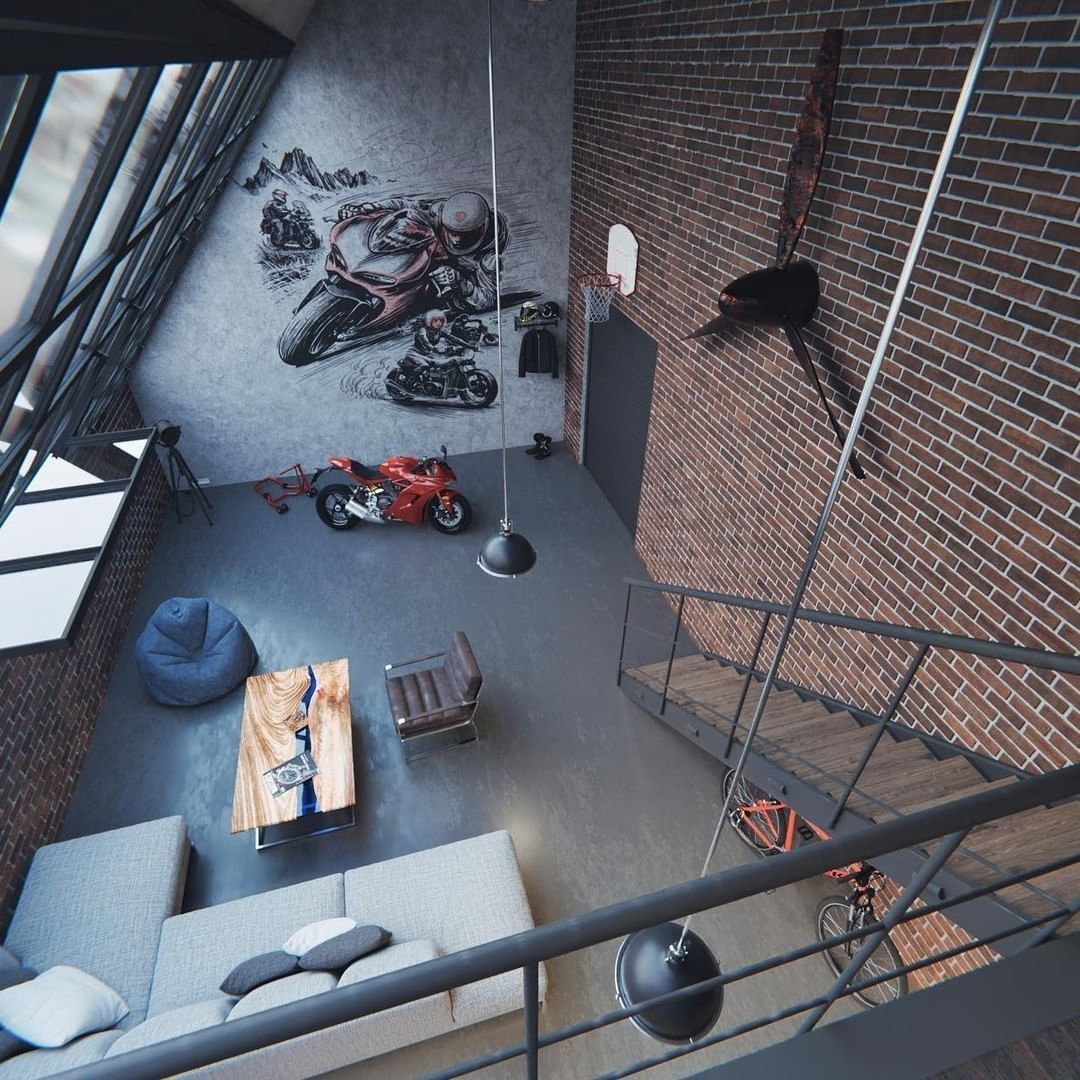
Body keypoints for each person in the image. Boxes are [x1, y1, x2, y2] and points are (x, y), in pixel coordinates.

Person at [336, 191, 508, 313]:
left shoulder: (488, 256)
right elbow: (403, 204)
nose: (456, 240)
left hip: (449, 281)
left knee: (430, 299)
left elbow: (487, 300)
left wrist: (460, 281)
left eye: (465, 234)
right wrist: (366, 208)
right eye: (452, 231)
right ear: (443, 221)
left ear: (480, 229)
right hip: (426, 255)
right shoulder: (436, 212)